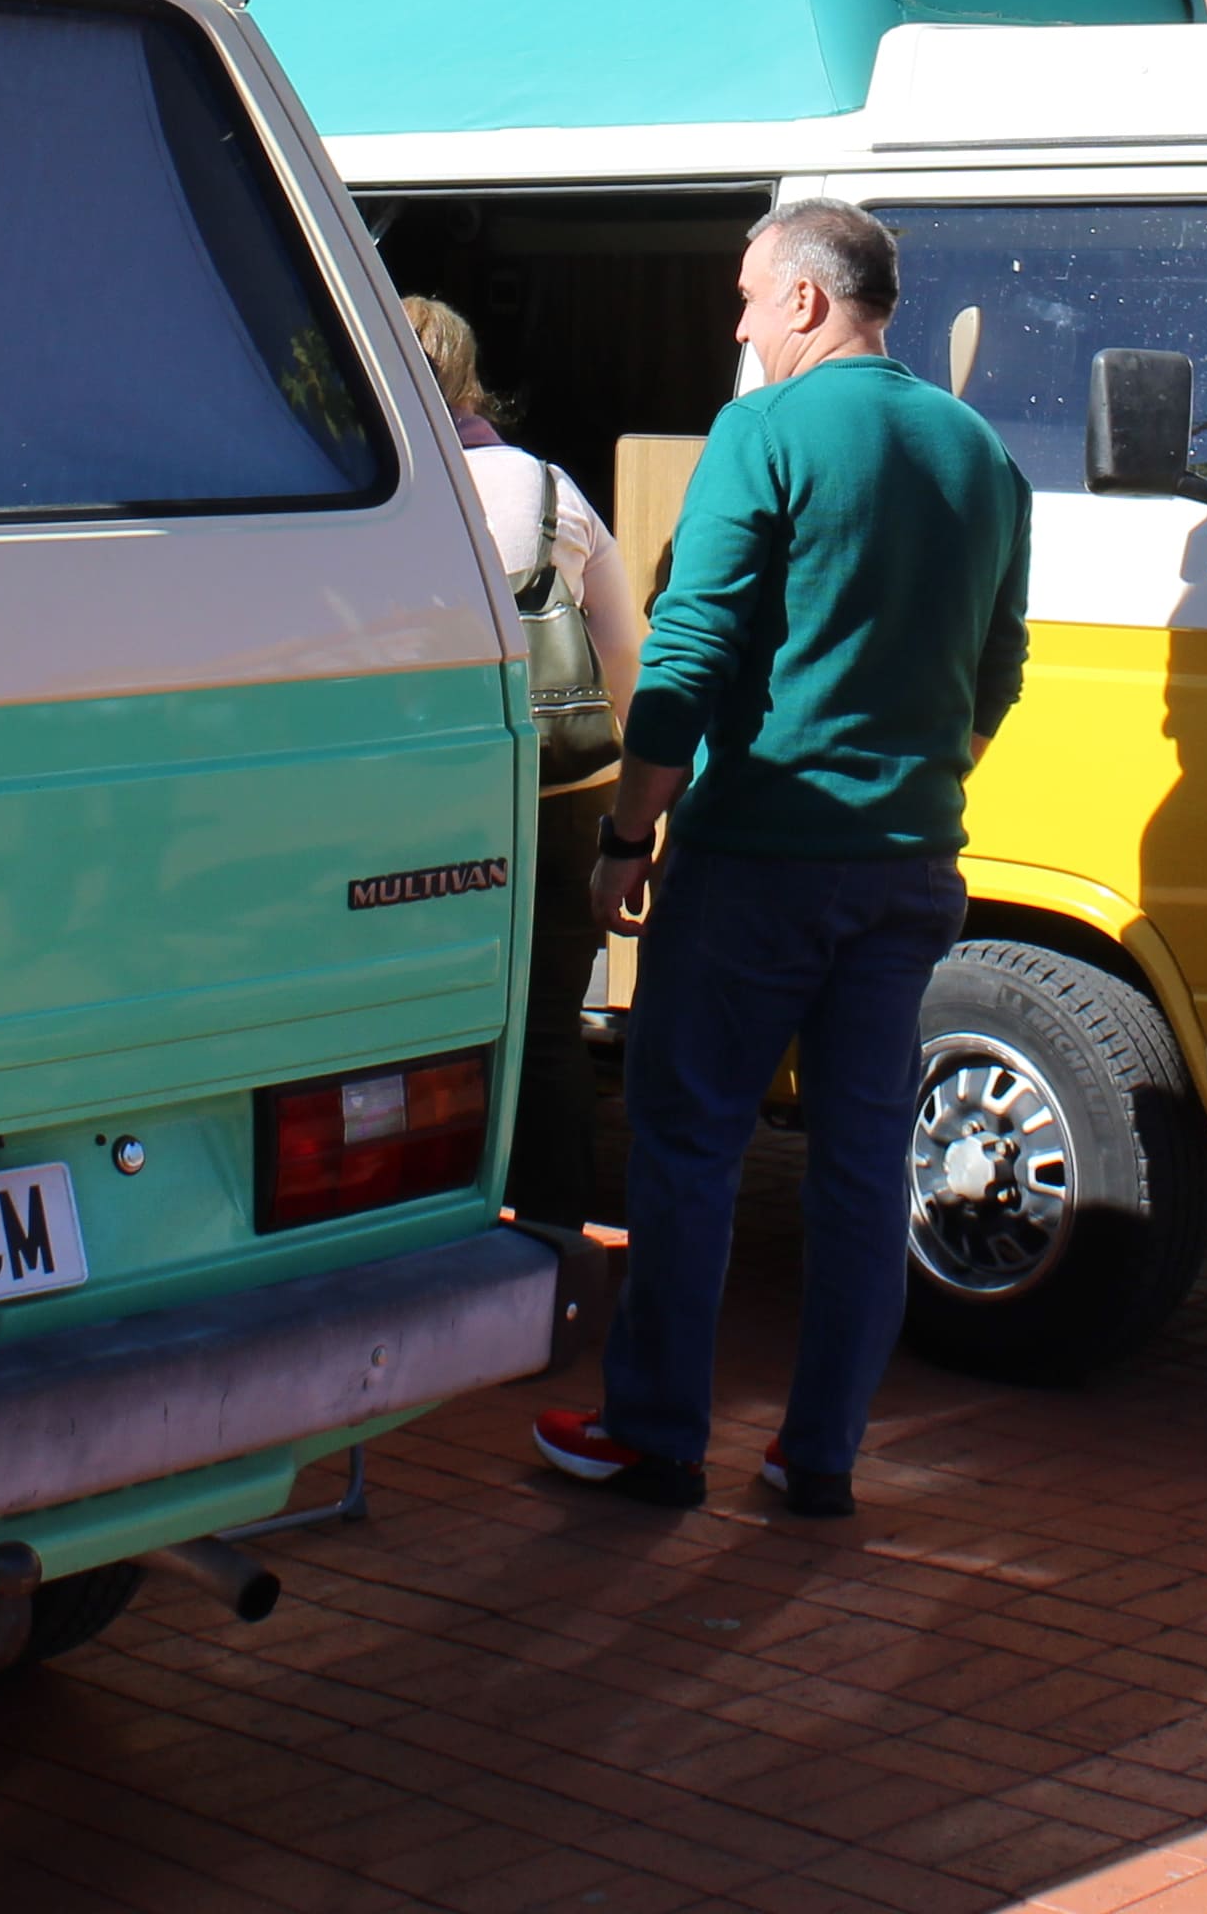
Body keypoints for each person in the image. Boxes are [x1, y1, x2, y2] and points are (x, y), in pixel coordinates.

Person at [531, 200, 1028, 1521]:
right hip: (909, 869)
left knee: (688, 1148)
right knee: (864, 1167)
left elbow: (686, 662)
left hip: (757, 860)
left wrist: (629, 835)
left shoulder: (765, 432)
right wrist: (910, 782)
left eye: (750, 299)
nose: (742, 325)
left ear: (808, 301)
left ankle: (655, 1437)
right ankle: (821, 1457)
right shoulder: (980, 452)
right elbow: (999, 676)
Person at [402, 296, 640, 1231]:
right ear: (471, 378)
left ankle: (428, 1226)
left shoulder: (378, 501)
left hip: (429, 801)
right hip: (563, 791)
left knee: (419, 1024)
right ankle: (550, 1240)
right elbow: (628, 660)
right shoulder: (546, 490)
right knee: (544, 1030)